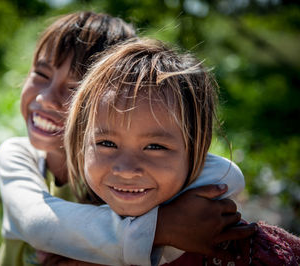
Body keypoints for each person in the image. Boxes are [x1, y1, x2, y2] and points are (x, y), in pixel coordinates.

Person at [0, 12, 256, 266]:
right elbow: (34, 222)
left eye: (75, 88)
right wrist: (161, 228)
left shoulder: (119, 167)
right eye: (41, 75)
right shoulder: (18, 154)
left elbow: (226, 176)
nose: (46, 98)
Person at [64, 37, 300, 265]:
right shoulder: (68, 243)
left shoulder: (256, 255)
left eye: (155, 147)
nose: (126, 169)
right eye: (107, 143)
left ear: (196, 151)